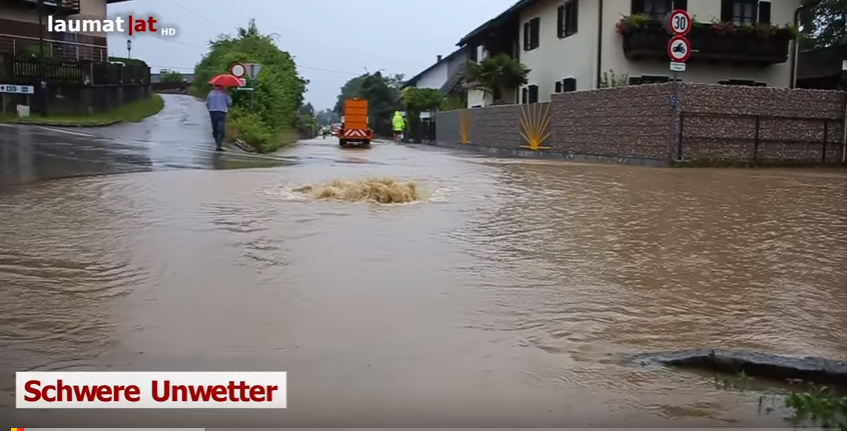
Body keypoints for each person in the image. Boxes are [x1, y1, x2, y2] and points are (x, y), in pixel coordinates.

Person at [206, 85, 232, 151]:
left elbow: (207, 104)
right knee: (220, 129)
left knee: (215, 128)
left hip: (213, 112)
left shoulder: (210, 93)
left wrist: (210, 108)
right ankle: (218, 145)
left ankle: (218, 145)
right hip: (221, 112)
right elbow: (229, 103)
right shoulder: (224, 94)